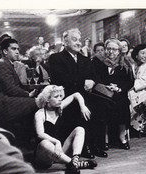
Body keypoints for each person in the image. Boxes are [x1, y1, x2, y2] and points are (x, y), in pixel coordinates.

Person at [48, 28, 107, 158]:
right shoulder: (55, 58)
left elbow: (96, 77)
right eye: (74, 40)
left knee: (101, 105)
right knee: (81, 107)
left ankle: (95, 144)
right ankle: (85, 147)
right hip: (67, 96)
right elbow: (62, 79)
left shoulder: (85, 59)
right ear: (65, 41)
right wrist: (83, 82)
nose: (78, 43)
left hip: (85, 94)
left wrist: (92, 82)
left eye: (79, 40)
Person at [34, 85, 97, 174]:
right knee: (44, 143)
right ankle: (75, 164)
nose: (60, 99)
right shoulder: (40, 113)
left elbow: (76, 94)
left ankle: (74, 163)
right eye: (56, 97)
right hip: (45, 156)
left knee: (80, 129)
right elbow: (40, 134)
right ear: (47, 99)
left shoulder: (59, 107)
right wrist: (57, 142)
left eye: (60, 96)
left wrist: (82, 106)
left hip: (60, 152)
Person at [0, 38, 39, 138]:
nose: (17, 52)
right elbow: (11, 89)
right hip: (3, 103)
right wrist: (28, 94)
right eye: (13, 49)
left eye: (18, 49)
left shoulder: (6, 64)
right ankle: (31, 138)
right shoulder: (2, 65)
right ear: (5, 51)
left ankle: (29, 137)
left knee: (35, 101)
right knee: (36, 103)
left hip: (7, 99)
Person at [93, 38, 133, 149]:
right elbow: (95, 78)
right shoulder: (98, 61)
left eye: (114, 49)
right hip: (103, 93)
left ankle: (122, 137)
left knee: (123, 104)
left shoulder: (125, 63)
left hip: (119, 92)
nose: (111, 52)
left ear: (119, 51)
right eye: (108, 49)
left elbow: (130, 82)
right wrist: (106, 87)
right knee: (103, 105)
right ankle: (104, 138)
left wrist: (119, 89)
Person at [128, 44, 146, 132]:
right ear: (136, 54)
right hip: (133, 89)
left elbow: (144, 82)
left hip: (143, 90)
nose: (145, 56)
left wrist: (129, 86)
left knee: (130, 96)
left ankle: (139, 128)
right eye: (142, 53)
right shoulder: (132, 65)